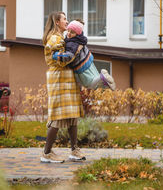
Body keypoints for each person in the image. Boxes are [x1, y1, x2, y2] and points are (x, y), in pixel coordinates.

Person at [41, 11, 86, 163]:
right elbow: (60, 60)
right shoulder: (54, 38)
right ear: (57, 22)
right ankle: (46, 153)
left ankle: (74, 150)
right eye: (64, 19)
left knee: (72, 117)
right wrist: (76, 51)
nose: (67, 22)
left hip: (67, 79)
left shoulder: (63, 37)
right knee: (58, 117)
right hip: (59, 79)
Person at [52, 19, 116, 91]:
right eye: (68, 30)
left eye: (72, 32)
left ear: (77, 34)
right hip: (88, 60)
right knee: (95, 79)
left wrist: (55, 55)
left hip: (81, 66)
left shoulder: (72, 44)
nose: (69, 33)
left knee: (89, 85)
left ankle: (103, 77)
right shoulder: (80, 38)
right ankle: (105, 81)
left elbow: (68, 56)